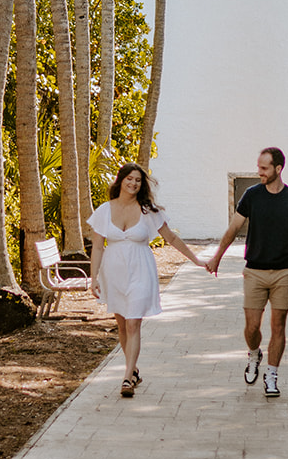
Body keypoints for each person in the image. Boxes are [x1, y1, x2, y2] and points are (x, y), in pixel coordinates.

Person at [206, 146, 288, 399]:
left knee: (278, 326)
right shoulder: (251, 195)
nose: (260, 172)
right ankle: (255, 354)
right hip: (254, 271)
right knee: (252, 327)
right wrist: (217, 257)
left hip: (284, 273)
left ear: (278, 169)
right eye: (259, 167)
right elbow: (233, 228)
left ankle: (272, 374)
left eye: (264, 168)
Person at [89, 163, 208, 397]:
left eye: (138, 180)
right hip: (113, 272)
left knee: (134, 323)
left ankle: (126, 378)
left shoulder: (148, 211)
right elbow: (97, 247)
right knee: (122, 324)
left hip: (141, 271)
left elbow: (171, 237)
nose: (133, 183)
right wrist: (93, 278)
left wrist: (196, 260)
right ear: (120, 180)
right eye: (129, 179)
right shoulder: (104, 210)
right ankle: (132, 370)